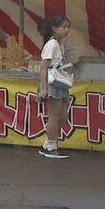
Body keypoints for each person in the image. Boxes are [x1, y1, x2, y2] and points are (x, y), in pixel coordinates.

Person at [37, 15, 74, 160]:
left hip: (60, 82)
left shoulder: (59, 44)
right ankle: (51, 146)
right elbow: (43, 67)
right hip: (52, 83)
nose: (66, 30)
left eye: (67, 27)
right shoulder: (51, 44)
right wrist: (44, 88)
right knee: (54, 116)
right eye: (63, 27)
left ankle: (48, 143)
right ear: (54, 28)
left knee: (62, 116)